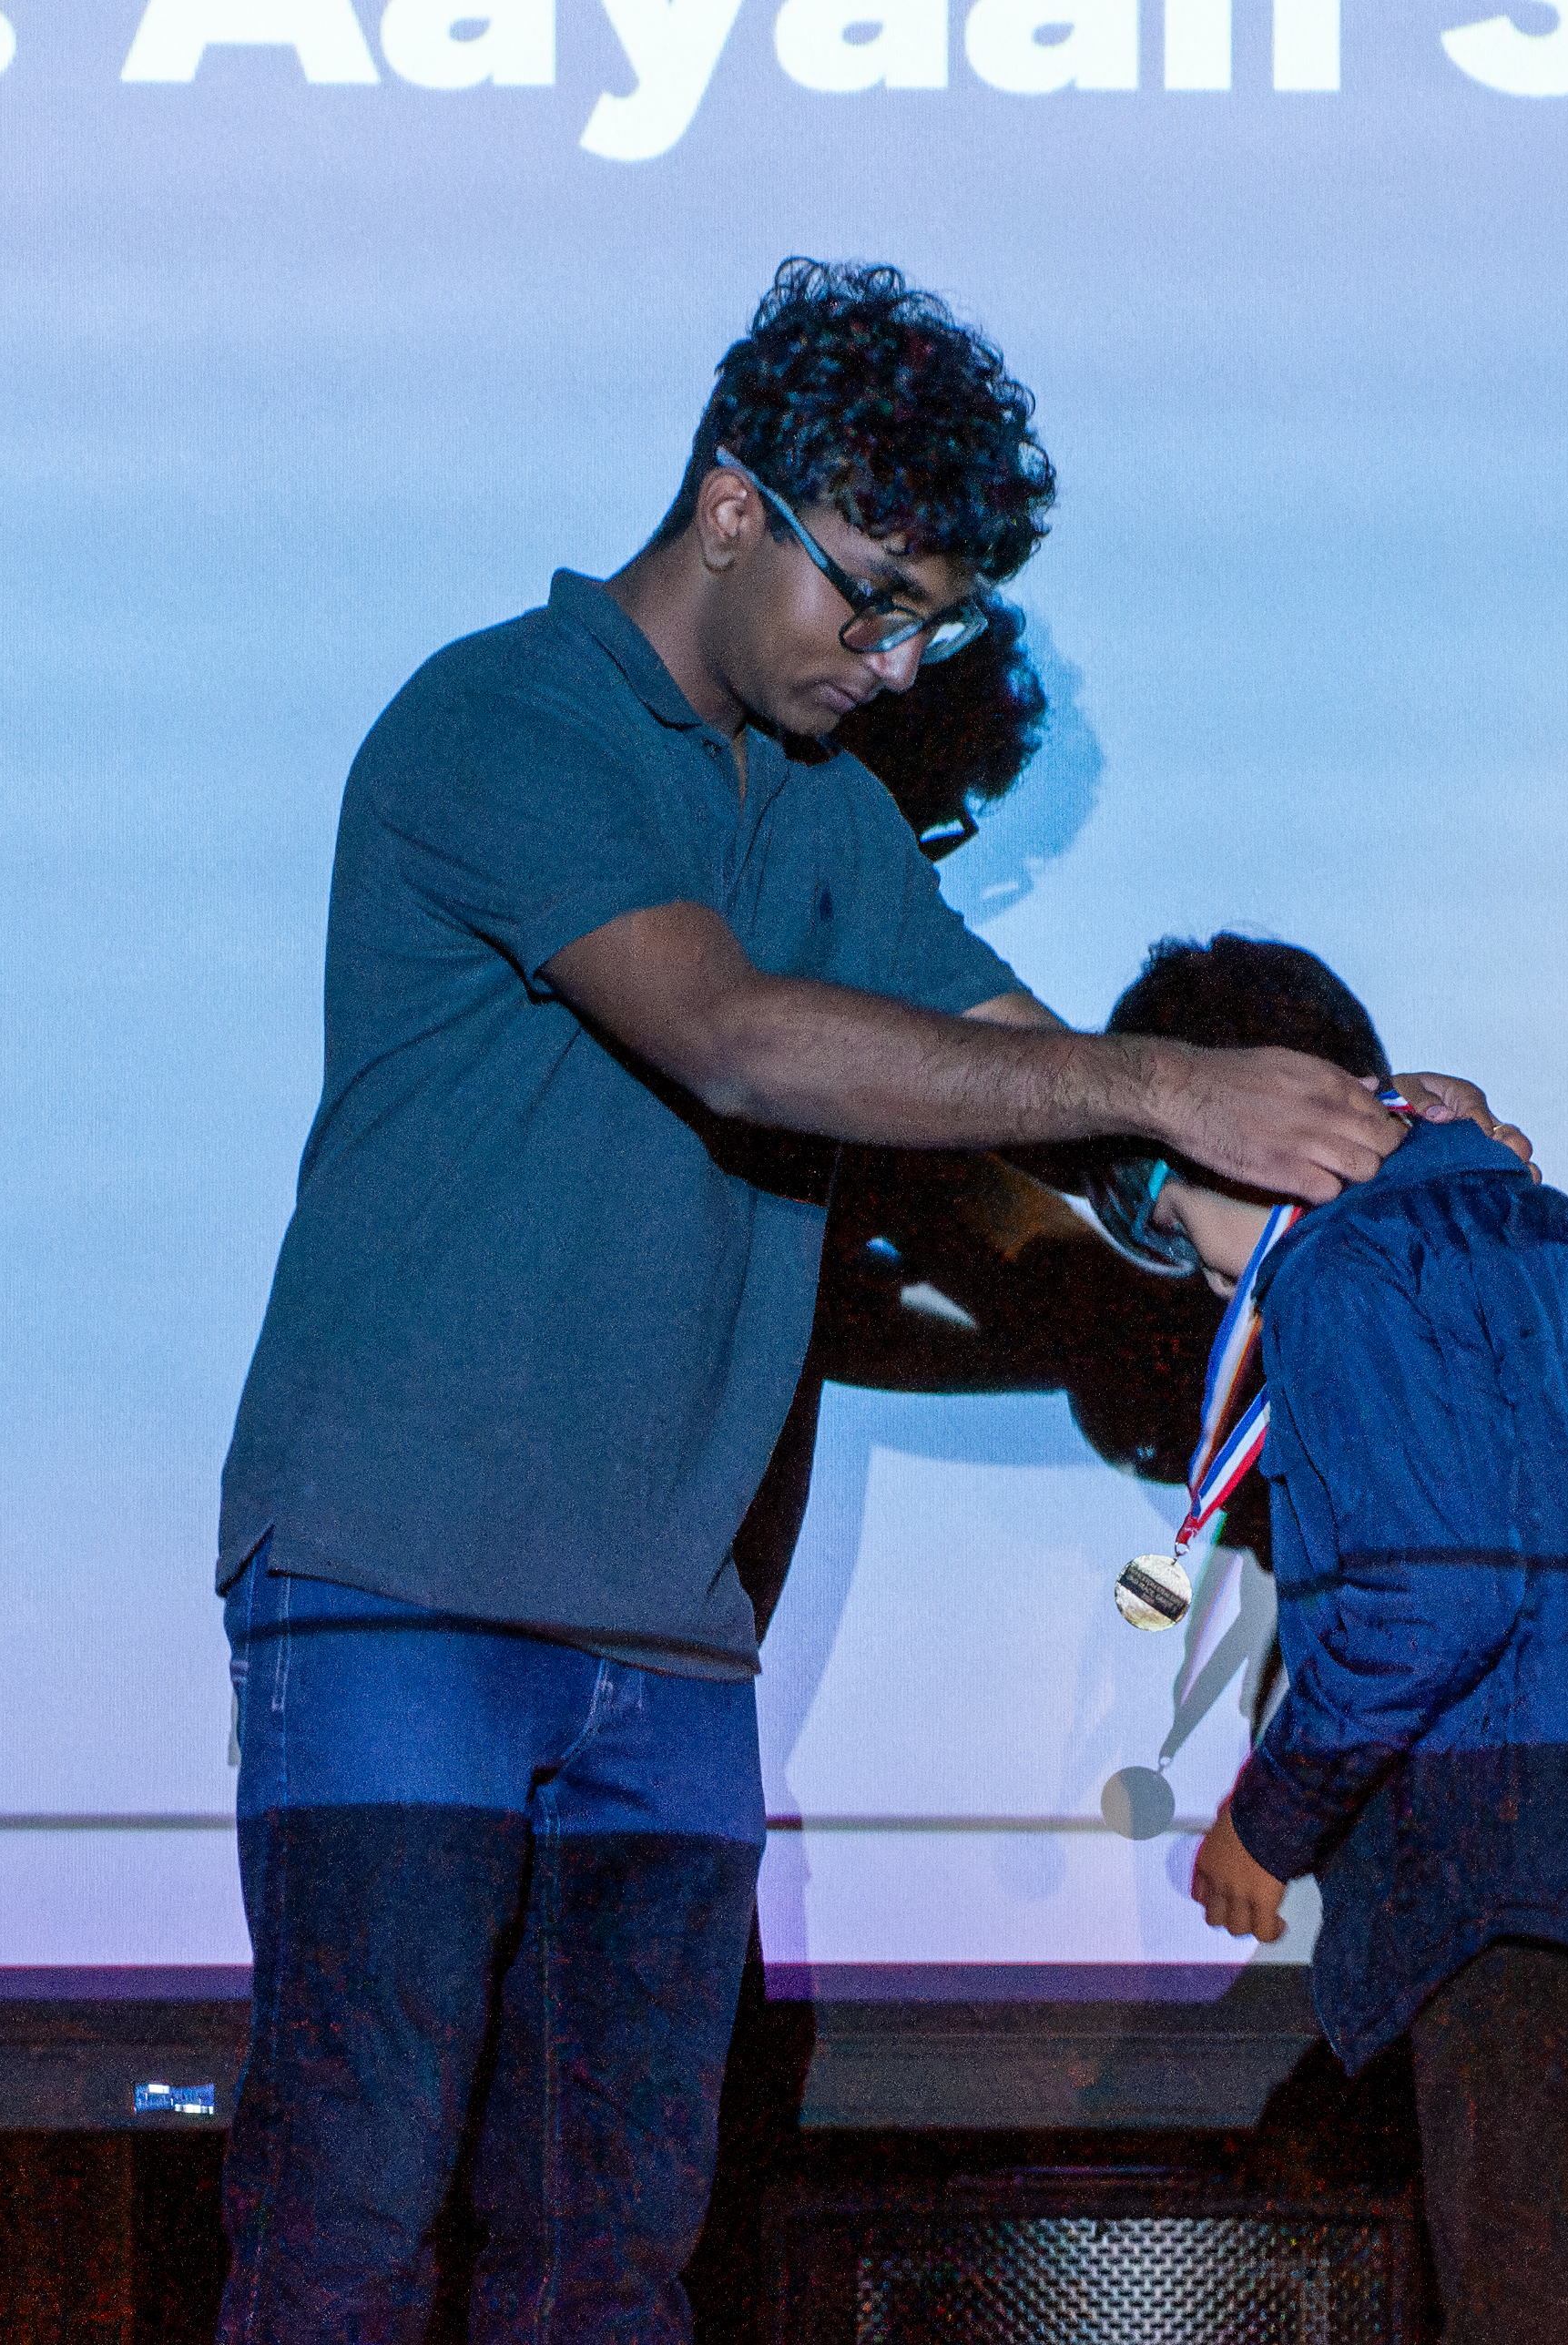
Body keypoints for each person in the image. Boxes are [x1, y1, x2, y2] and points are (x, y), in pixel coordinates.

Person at [207, 260, 1494, 2344]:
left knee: (613, 2260)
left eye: (930, 627)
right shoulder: (501, 719)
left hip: (666, 1634)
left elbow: (1007, 1056)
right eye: (872, 599)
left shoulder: (821, 813)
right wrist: (1164, 1091)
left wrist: (1327, 1148)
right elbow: (731, 1036)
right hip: (402, 1586)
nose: (892, 664)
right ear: (731, 505)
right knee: (346, 2236)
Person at [1070, 933, 1568, 2345]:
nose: (1198, 1278)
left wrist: (1267, 1823)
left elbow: (1430, 1599)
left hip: (1507, 1874)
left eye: (1174, 1228)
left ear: (1244, 1138)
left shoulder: (1338, 1272)